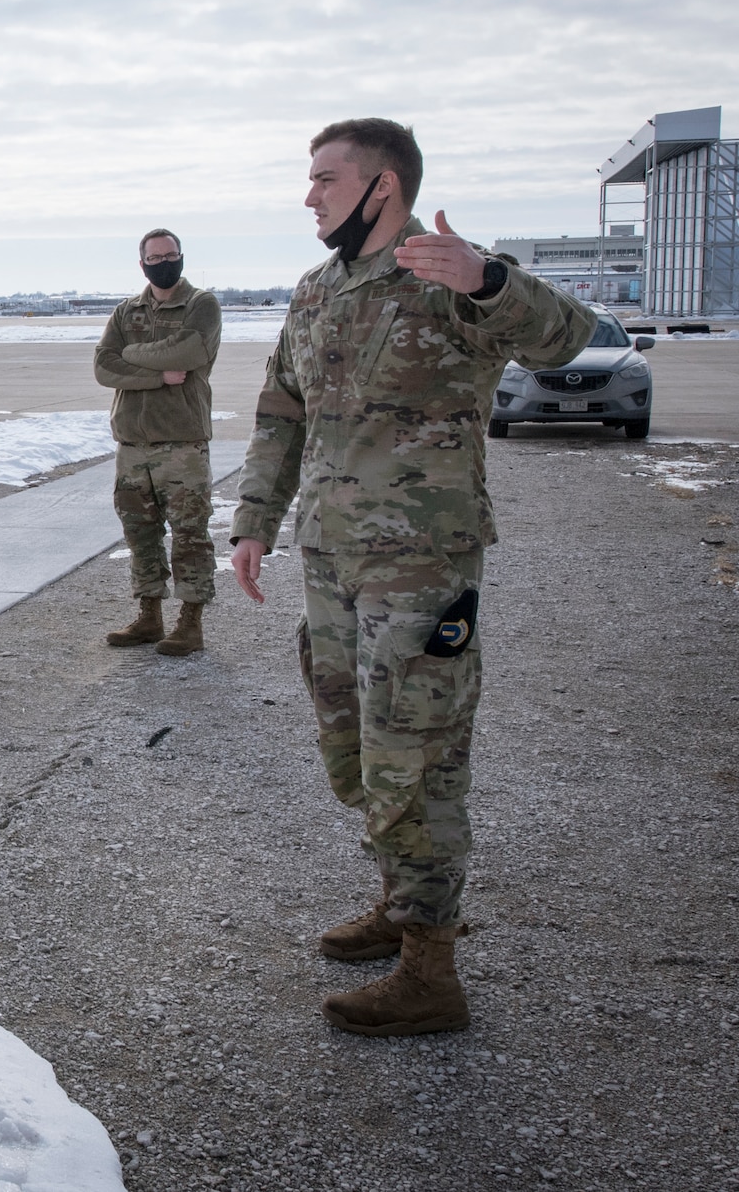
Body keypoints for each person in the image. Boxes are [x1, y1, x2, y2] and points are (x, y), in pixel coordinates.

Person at [230, 118, 594, 1036]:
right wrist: (252, 522)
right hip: (331, 560)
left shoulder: (449, 278)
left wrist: (488, 280)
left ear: (381, 186)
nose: (308, 195)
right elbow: (281, 410)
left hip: (423, 566)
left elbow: (568, 336)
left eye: (324, 178)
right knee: (351, 750)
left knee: (418, 752)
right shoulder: (317, 291)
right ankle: (401, 900)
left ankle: (432, 968)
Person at [92, 228, 223, 656]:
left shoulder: (201, 305)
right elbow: (103, 367)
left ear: (181, 257)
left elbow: (189, 351)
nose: (164, 262)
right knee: (140, 534)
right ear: (143, 262)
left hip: (181, 444)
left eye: (171, 255)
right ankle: (149, 616)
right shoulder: (126, 311)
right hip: (132, 445)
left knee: (189, 535)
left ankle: (190, 623)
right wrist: (155, 376)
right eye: (155, 256)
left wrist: (131, 354)